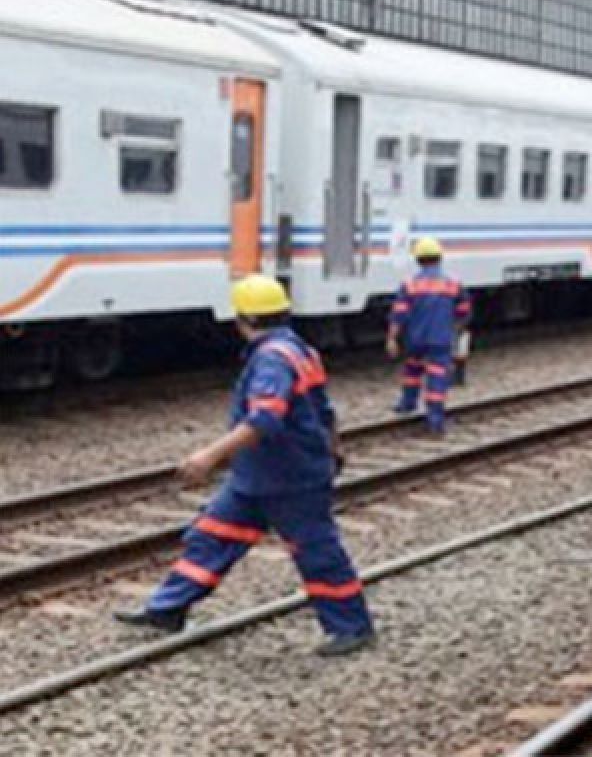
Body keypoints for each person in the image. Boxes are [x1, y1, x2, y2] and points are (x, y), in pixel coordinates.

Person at [115, 275, 375, 657]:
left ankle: (352, 627)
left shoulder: (271, 360)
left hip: (289, 477)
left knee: (317, 552)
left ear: (243, 320)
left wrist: (209, 455)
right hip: (260, 475)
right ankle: (166, 610)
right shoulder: (301, 350)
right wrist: (334, 450)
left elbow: (264, 419)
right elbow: (325, 410)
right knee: (212, 536)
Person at [386, 237, 471, 435]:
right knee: (437, 378)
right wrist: (456, 327)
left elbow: (399, 314)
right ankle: (435, 421)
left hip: (415, 339)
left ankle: (407, 404)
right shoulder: (453, 285)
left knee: (412, 371)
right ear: (440, 258)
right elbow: (464, 311)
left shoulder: (409, 286)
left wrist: (392, 339)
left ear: (417, 260)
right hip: (440, 339)